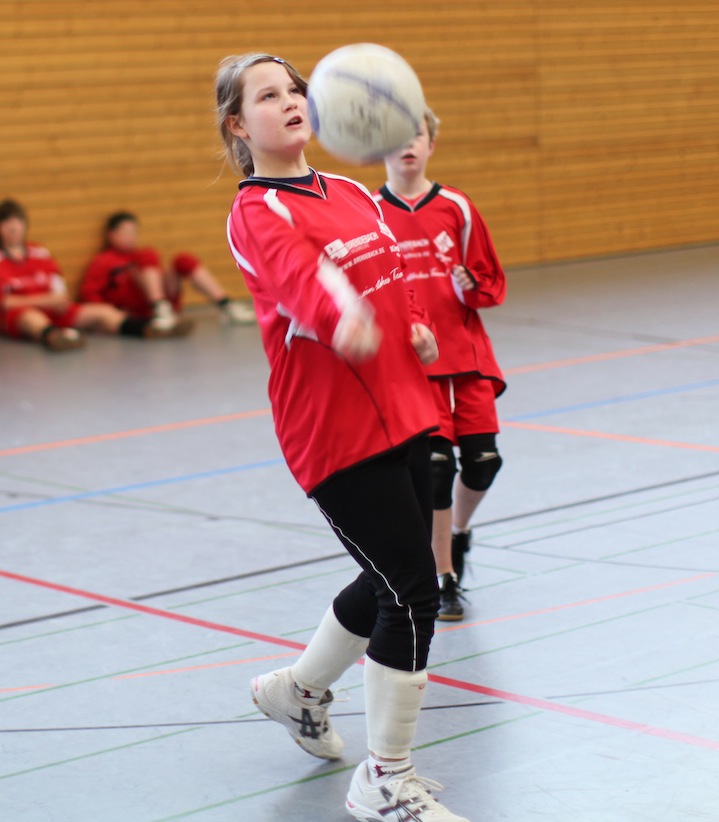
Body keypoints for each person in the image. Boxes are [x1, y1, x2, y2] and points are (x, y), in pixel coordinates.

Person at [215, 53, 469, 822]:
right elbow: (303, 280)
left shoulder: (352, 190)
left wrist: (415, 328)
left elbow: (392, 277)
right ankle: (383, 778)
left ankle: (294, 693)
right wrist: (341, 320)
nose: (290, 101)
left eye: (294, 88)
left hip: (405, 407)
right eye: (268, 95)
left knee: (388, 575)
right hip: (334, 434)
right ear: (238, 125)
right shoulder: (258, 211)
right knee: (412, 589)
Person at [375, 108, 507, 621]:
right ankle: (444, 576)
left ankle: (458, 532)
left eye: (418, 136)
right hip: (414, 365)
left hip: (466, 357)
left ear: (431, 145)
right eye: (397, 139)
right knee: (433, 472)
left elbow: (489, 278)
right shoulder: (370, 212)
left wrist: (471, 286)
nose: (408, 145)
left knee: (483, 463)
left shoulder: (457, 207)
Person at [0, 198, 190, 350]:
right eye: (8, 224)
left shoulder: (39, 252)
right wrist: (47, 301)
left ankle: (151, 328)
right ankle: (54, 336)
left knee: (103, 313)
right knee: (30, 317)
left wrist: (59, 300)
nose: (14, 229)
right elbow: (5, 302)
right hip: (19, 314)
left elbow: (59, 288)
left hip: (55, 309)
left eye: (18, 223)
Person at [78, 211, 254, 330]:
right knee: (148, 255)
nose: (130, 238)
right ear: (112, 235)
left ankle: (226, 305)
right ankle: (159, 307)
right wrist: (113, 314)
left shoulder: (140, 255)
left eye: (133, 233)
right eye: (125, 233)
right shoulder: (103, 261)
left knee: (183, 260)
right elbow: (89, 293)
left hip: (159, 300)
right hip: (132, 311)